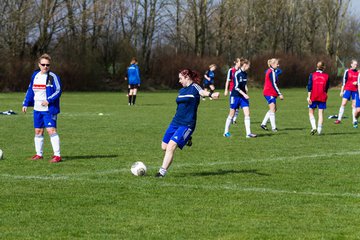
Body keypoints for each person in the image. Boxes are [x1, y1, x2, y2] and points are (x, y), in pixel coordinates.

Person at [155, 69, 220, 177]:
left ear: (187, 77)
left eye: (181, 78)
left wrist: (210, 95)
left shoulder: (194, 87)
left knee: (171, 146)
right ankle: (186, 139)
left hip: (187, 124)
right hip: (175, 122)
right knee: (164, 147)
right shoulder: (181, 91)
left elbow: (202, 92)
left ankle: (161, 172)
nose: (179, 81)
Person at [22, 53, 62, 163]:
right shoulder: (35, 75)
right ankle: (39, 154)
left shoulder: (53, 77)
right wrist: (25, 103)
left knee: (51, 130)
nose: (45, 67)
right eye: (43, 64)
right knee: (38, 131)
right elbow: (30, 90)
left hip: (49, 110)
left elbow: (58, 91)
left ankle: (57, 156)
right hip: (37, 109)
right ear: (39, 64)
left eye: (47, 65)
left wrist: (48, 100)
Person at [223, 59, 257, 138]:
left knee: (247, 113)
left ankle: (248, 133)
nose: (249, 67)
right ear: (244, 65)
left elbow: (243, 84)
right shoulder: (236, 74)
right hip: (235, 96)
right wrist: (244, 94)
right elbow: (236, 87)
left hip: (243, 96)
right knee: (232, 114)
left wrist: (245, 88)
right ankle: (225, 132)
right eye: (248, 65)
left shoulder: (245, 74)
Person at [260, 58, 284, 132]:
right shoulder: (271, 72)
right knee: (272, 109)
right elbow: (274, 84)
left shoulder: (271, 70)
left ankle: (263, 124)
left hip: (270, 92)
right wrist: (279, 94)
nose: (278, 65)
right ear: (272, 64)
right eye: (277, 64)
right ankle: (274, 128)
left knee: (274, 109)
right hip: (269, 92)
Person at [307, 61, 329, 135]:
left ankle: (314, 127)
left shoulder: (312, 75)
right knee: (321, 113)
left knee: (311, 112)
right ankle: (319, 131)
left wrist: (308, 97)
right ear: (324, 67)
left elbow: (309, 87)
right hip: (322, 96)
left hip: (313, 96)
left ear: (316, 66)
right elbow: (326, 88)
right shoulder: (326, 76)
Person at [334, 59, 359, 127]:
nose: (355, 65)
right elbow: (344, 82)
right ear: (351, 64)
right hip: (347, 89)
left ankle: (354, 120)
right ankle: (339, 119)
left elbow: (359, 82)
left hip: (355, 90)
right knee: (343, 103)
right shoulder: (347, 71)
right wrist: (342, 91)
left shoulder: (358, 72)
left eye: (356, 64)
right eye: (354, 64)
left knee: (353, 106)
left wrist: (357, 83)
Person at [224, 58, 243, 124]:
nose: (241, 63)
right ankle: (231, 118)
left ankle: (234, 120)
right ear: (236, 62)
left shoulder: (241, 71)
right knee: (233, 106)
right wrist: (226, 90)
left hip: (240, 91)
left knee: (238, 106)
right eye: (240, 62)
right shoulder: (231, 70)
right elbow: (228, 81)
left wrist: (245, 87)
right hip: (232, 90)